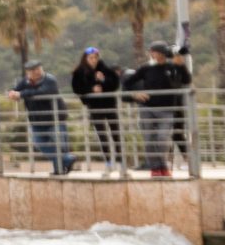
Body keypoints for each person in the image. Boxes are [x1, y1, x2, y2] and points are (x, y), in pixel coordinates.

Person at [122, 42, 192, 176]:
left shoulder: (172, 67)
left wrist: (181, 65)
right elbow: (127, 82)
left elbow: (186, 80)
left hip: (166, 110)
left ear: (164, 54)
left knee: (162, 139)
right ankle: (156, 169)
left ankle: (163, 166)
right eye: (154, 52)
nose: (156, 55)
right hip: (147, 109)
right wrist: (134, 94)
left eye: (159, 53)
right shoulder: (145, 68)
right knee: (149, 140)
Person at [11, 61, 70, 174]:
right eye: (33, 70)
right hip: (36, 121)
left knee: (60, 145)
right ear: (28, 72)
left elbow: (42, 92)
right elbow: (15, 89)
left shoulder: (50, 80)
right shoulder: (25, 81)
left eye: (38, 69)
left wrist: (21, 94)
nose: (36, 72)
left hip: (55, 119)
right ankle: (67, 160)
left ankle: (60, 170)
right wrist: (12, 93)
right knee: (39, 143)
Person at [70, 47, 122, 169]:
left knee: (116, 132)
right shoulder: (79, 72)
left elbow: (115, 84)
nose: (93, 60)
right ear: (85, 59)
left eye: (95, 58)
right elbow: (77, 89)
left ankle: (120, 159)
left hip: (109, 105)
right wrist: (91, 89)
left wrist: (103, 80)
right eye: (91, 58)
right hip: (94, 106)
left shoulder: (105, 69)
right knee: (102, 134)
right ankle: (108, 160)